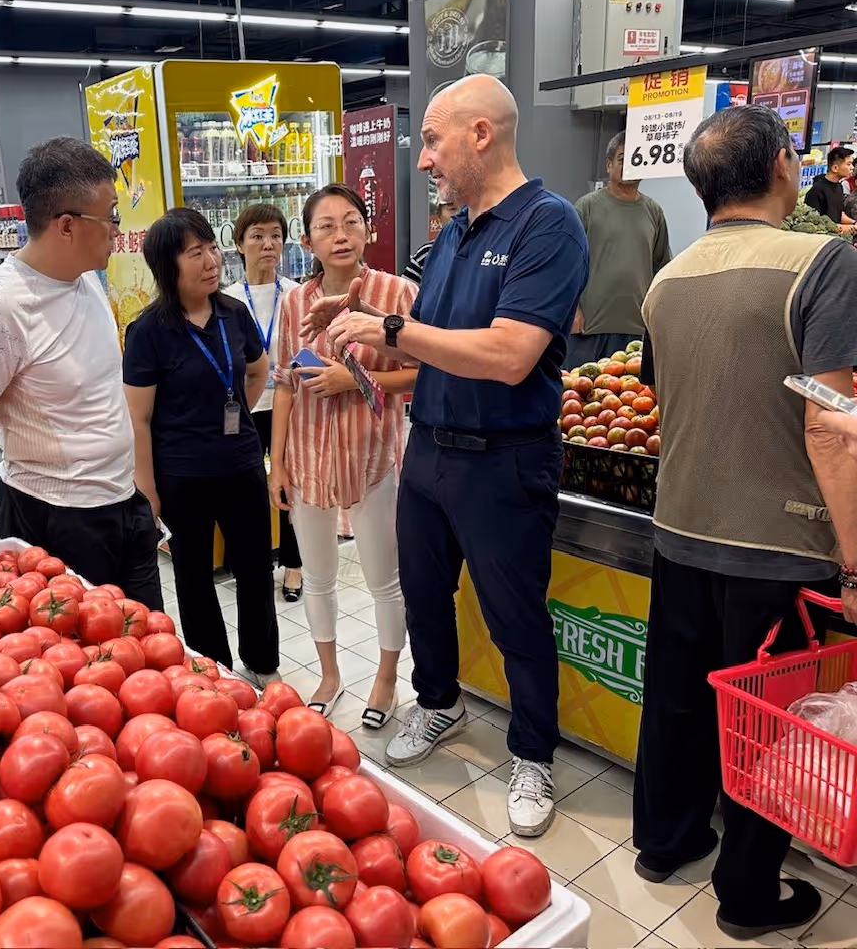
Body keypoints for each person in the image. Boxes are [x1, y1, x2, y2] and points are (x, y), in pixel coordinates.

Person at [304, 75, 588, 837]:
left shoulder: (547, 226)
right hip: (427, 450)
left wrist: (388, 329)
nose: (422, 158)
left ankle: (534, 754)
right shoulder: (454, 233)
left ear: (480, 135)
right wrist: (365, 313)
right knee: (423, 598)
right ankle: (439, 704)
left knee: (514, 616)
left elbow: (507, 354)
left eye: (432, 139)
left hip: (505, 459)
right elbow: (435, 349)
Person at [632, 104, 857, 940]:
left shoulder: (668, 278)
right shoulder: (823, 262)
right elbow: (833, 423)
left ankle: (663, 843)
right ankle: (747, 895)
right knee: (768, 720)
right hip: (781, 540)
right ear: (784, 172)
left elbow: (663, 395)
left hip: (681, 525)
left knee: (679, 700)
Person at [0, 136, 162, 610]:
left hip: (122, 502)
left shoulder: (88, 279)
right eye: (112, 214)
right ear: (68, 226)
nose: (118, 229)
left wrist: (141, 488)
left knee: (147, 642)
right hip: (56, 517)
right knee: (82, 665)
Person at [270, 183, 418, 723]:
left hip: (374, 455)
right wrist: (277, 463)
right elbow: (285, 383)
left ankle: (384, 679)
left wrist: (354, 383)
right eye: (327, 225)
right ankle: (329, 675)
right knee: (317, 574)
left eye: (351, 221)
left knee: (385, 576)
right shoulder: (294, 301)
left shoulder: (397, 295)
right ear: (307, 240)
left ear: (368, 230)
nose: (341, 234)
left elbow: (423, 376)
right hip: (307, 457)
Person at [123, 207, 280, 684]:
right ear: (168, 266)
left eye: (213, 247)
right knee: (194, 578)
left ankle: (263, 663)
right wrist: (146, 490)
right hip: (182, 476)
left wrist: (232, 418)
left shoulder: (234, 314)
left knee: (254, 569)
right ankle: (214, 670)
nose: (212, 260)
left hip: (242, 466)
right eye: (197, 252)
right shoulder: (148, 331)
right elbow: (138, 418)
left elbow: (258, 371)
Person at [223, 203, 303, 602]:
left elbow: (309, 348)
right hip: (245, 406)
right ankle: (252, 561)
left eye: (275, 235)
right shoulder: (226, 300)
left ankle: (293, 564)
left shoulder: (297, 294)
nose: (267, 244)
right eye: (257, 236)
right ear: (239, 245)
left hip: (289, 404)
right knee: (245, 488)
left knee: (290, 484)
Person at [567, 131, 670, 367]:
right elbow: (565, 264)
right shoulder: (586, 207)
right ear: (609, 165)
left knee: (630, 399)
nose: (630, 164)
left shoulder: (654, 211)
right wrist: (573, 310)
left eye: (637, 158)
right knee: (581, 396)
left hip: (637, 329)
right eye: (623, 158)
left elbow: (661, 267)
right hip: (589, 328)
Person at [402, 201, 460, 285]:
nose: (460, 214)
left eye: (466, 208)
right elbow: (405, 293)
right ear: (439, 216)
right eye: (452, 209)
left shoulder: (483, 252)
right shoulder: (426, 253)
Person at [802, 145, 855, 227]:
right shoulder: (817, 190)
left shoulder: (839, 187)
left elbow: (838, 214)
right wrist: (842, 227)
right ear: (835, 168)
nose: (852, 167)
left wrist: (853, 223)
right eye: (849, 164)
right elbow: (812, 222)